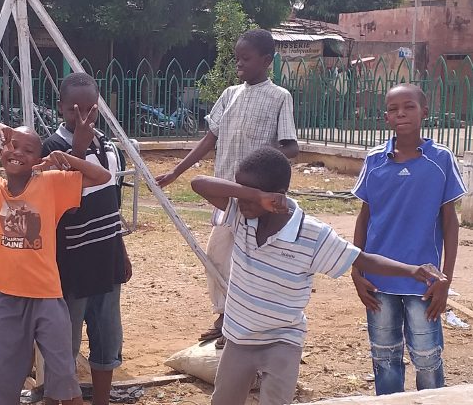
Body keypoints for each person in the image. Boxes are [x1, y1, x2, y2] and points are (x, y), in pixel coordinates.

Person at [190, 146, 446, 405]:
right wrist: (252, 194)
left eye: (248, 195)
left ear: (277, 197)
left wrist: (413, 270)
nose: (240, 200)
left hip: (282, 341)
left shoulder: (312, 235)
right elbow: (198, 183)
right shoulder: (242, 216)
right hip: (238, 338)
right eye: (240, 191)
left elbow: (363, 259)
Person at [0, 120, 111, 405]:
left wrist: (67, 158)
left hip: (46, 296)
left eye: (28, 149)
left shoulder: (52, 183)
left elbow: (103, 176)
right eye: (12, 145)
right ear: (1, 151)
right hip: (6, 298)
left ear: (38, 159)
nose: (17, 152)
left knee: (64, 376)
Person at [154, 29, 299, 348]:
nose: (239, 65)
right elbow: (210, 139)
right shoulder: (230, 94)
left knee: (250, 263)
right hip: (226, 196)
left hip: (256, 200)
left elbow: (291, 146)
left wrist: (264, 163)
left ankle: (246, 325)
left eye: (245, 59)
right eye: (237, 59)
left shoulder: (279, 97)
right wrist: (177, 171)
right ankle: (224, 317)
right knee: (217, 257)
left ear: (266, 61)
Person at [351, 83, 467, 395]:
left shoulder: (440, 160)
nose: (400, 112)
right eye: (392, 108)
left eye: (409, 106)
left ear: (425, 112)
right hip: (377, 283)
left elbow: (450, 222)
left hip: (424, 284)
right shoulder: (374, 160)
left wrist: (445, 279)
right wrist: (356, 271)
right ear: (386, 117)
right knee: (385, 358)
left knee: (428, 360)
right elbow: (365, 217)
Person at [41, 73, 131, 405]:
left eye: (91, 111)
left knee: (107, 336)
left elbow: (113, 203)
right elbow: (60, 197)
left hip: (106, 258)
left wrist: (121, 249)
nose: (83, 118)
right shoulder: (52, 147)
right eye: (73, 111)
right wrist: (77, 147)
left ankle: (102, 400)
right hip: (72, 264)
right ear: (60, 108)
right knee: (65, 340)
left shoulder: (109, 147)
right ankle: (57, 398)